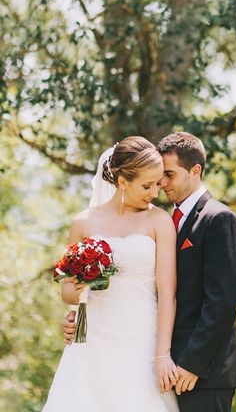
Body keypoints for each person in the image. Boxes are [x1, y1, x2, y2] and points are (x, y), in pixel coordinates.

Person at [63, 131, 236, 412]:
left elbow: (221, 302)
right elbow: (78, 288)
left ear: (195, 171)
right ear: (123, 181)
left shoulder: (217, 218)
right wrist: (78, 313)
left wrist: (191, 363)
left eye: (168, 175)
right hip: (143, 352)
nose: (160, 185)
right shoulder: (167, 218)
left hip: (201, 369)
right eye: (155, 179)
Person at [44, 136, 179, 411]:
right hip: (92, 339)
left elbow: (168, 293)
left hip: (142, 338)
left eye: (157, 183)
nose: (155, 192)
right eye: (146, 185)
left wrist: (162, 353)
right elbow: (67, 292)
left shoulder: (159, 221)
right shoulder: (83, 222)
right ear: (122, 181)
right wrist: (79, 288)